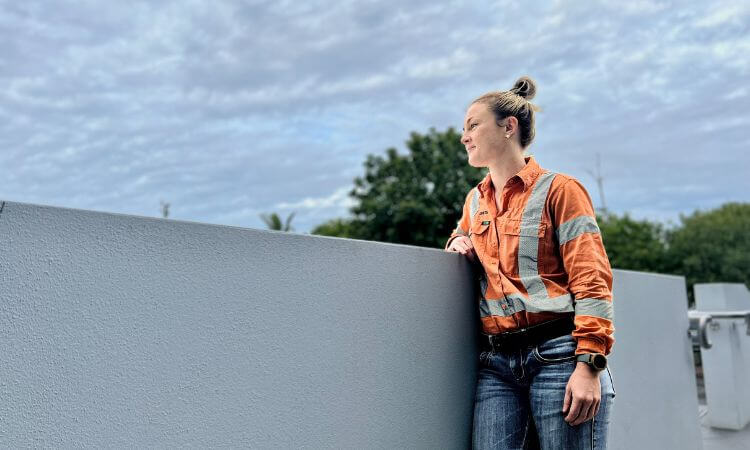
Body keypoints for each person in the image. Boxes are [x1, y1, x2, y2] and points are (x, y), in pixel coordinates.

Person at [445, 76, 615, 450]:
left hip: (559, 356)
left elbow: (592, 280)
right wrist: (458, 240)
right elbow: (461, 235)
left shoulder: (561, 190)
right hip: (496, 364)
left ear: (509, 127)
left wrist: (589, 366)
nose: (464, 136)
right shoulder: (475, 200)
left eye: (473, 125)